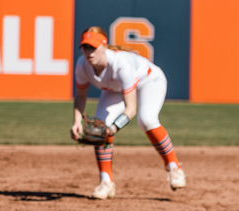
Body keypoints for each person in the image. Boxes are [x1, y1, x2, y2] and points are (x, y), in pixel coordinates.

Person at [70, 26, 186, 199]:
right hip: (115, 88)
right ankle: (106, 182)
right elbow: (80, 97)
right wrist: (77, 121)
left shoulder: (120, 64)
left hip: (149, 80)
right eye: (86, 47)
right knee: (101, 126)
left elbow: (130, 109)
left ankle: (174, 167)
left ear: (104, 46)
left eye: (93, 47)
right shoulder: (82, 65)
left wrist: (115, 127)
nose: (89, 52)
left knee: (146, 119)